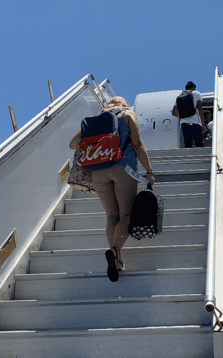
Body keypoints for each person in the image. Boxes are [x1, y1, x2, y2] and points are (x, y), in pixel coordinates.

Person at [69, 97, 155, 282]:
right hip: (123, 168)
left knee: (111, 217)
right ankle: (115, 251)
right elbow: (138, 145)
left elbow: (73, 143)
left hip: (98, 173)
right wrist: (148, 171)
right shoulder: (128, 115)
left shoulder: (95, 119)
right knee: (126, 216)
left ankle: (117, 262)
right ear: (124, 105)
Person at [171, 81, 208, 148]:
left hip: (184, 123)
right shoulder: (196, 93)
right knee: (198, 143)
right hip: (195, 123)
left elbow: (173, 113)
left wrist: (181, 116)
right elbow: (200, 109)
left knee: (187, 144)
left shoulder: (180, 96)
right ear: (193, 87)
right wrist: (203, 124)